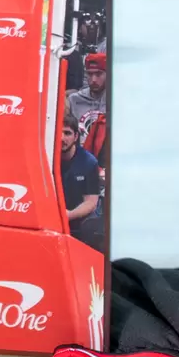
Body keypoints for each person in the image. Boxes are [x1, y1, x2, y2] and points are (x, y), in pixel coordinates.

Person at [58, 116, 106, 251]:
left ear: (76, 136)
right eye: (58, 133)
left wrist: (68, 215)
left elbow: (90, 202)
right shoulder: (46, 157)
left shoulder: (88, 162)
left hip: (78, 221)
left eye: (67, 133)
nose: (62, 138)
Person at [67, 51, 109, 162]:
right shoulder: (74, 99)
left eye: (98, 74)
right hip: (79, 159)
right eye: (90, 74)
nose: (93, 79)